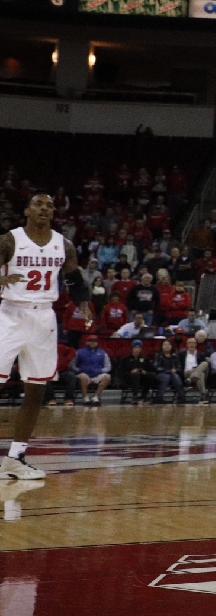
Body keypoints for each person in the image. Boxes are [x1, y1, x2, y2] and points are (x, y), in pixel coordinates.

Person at [0, 193, 90, 480]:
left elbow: (74, 278)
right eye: (39, 204)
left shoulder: (64, 244)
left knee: (37, 388)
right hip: (10, 314)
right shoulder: (9, 240)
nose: (45, 209)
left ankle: (15, 458)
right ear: (27, 210)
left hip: (44, 318)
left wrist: (84, 303)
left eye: (50, 206)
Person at [74, 335, 112, 405]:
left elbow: (108, 366)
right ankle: (85, 397)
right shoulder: (79, 352)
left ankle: (96, 396)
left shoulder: (103, 353)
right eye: (91, 341)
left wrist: (100, 371)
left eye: (95, 341)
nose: (93, 343)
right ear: (87, 342)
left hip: (97, 374)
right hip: (84, 374)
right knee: (83, 376)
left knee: (107, 377)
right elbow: (72, 365)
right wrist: (79, 370)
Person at [152, 338, 183, 403]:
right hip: (160, 374)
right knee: (167, 377)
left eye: (168, 344)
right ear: (162, 346)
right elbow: (156, 367)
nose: (167, 346)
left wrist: (176, 370)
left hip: (172, 374)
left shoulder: (174, 356)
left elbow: (179, 367)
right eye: (165, 344)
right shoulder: (158, 355)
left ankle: (181, 397)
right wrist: (168, 371)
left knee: (175, 376)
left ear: (171, 346)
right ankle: (159, 398)